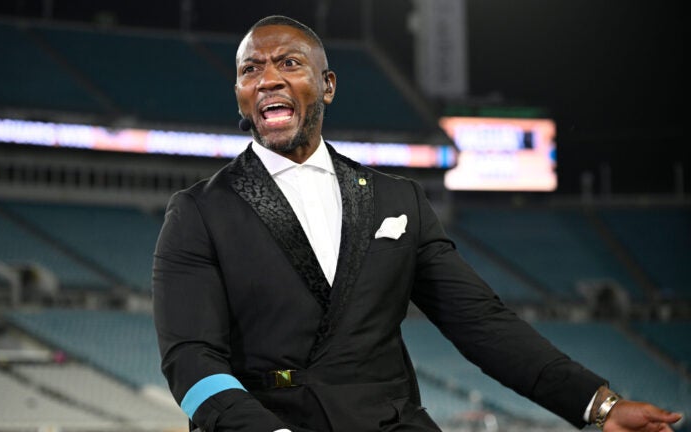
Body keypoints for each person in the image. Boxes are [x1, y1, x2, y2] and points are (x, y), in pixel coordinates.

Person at [152, 15, 683, 432]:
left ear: (327, 85)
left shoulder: (397, 199)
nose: (268, 79)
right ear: (240, 92)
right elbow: (190, 361)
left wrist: (599, 404)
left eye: (288, 63)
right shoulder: (198, 211)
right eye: (250, 69)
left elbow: (481, 323)